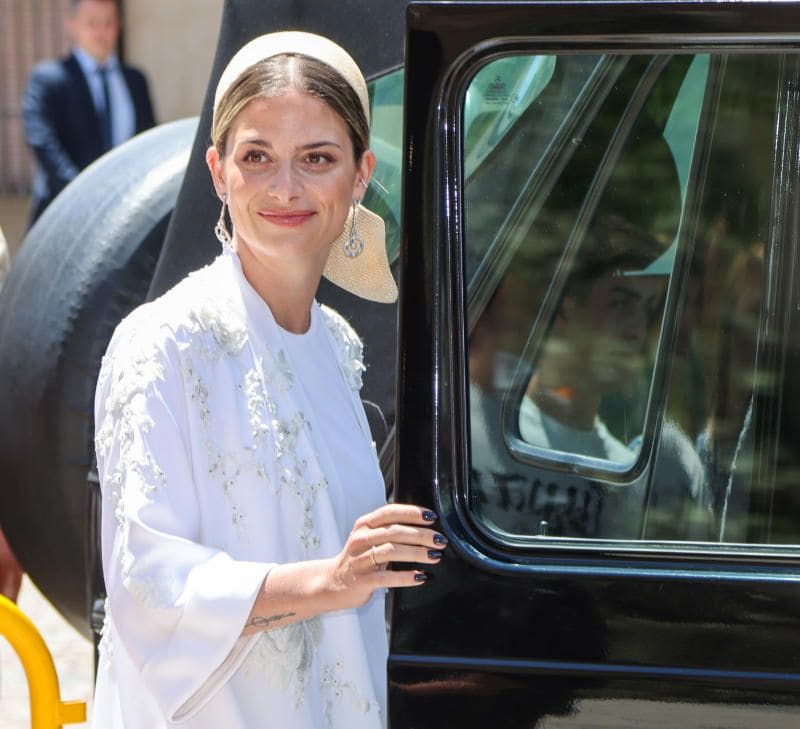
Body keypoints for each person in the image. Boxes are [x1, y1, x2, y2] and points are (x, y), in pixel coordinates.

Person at [91, 31, 445, 729]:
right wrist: (332, 581)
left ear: (361, 173)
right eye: (257, 157)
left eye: (318, 157)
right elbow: (149, 587)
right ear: (219, 172)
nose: (286, 187)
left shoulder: (339, 349)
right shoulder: (163, 343)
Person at [22, 0, 155, 226]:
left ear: (119, 25)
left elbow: (149, 143)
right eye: (92, 23)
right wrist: (85, 197)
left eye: (108, 23)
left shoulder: (135, 81)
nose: (101, 32)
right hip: (64, 215)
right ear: (72, 24)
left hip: (126, 215)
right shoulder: (48, 79)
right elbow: (43, 143)